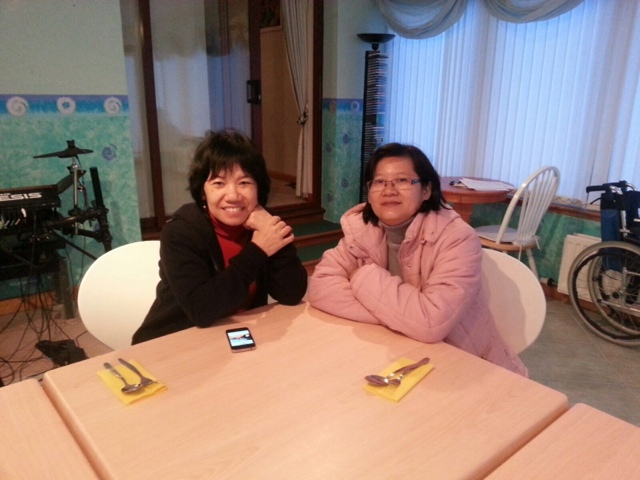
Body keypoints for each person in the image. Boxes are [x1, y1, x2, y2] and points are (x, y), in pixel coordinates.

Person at [308, 143, 526, 375]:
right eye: (379, 182)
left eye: (402, 180)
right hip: (399, 355)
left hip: (468, 366)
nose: (388, 190)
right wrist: (402, 318)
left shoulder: (457, 238)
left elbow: (431, 323)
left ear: (426, 190)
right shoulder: (362, 230)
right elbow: (321, 288)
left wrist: (363, 278)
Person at [132, 130, 307, 344]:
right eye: (218, 183)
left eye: (244, 183)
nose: (233, 196)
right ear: (202, 192)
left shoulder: (262, 223)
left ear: (259, 189)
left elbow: (292, 294)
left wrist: (274, 235)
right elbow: (201, 310)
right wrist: (258, 250)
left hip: (235, 335)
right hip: (174, 341)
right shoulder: (181, 232)